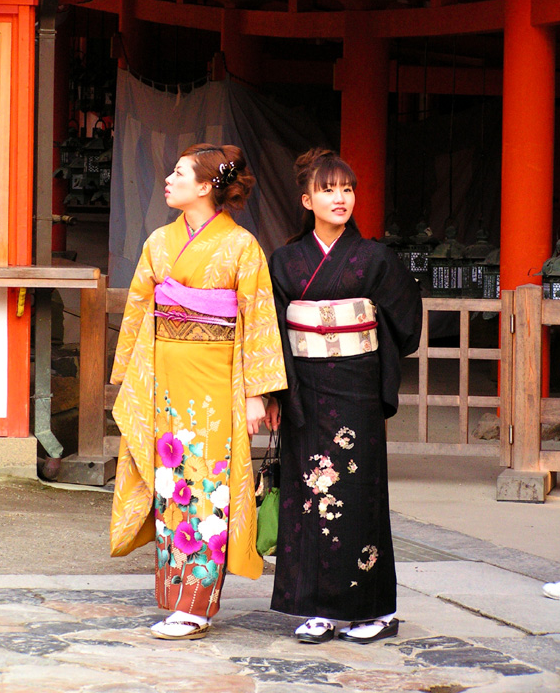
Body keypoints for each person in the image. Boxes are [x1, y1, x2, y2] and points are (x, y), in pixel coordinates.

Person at [109, 144, 286, 640]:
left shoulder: (241, 246)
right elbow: (142, 310)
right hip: (166, 375)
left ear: (206, 185)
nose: (169, 178)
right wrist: (132, 377)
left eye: (180, 172)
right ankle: (174, 596)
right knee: (172, 489)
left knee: (207, 489)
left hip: (216, 379)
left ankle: (196, 604)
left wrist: (257, 392)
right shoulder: (159, 242)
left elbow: (258, 319)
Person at [266, 147, 422, 645]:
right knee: (307, 495)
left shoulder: (374, 258)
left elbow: (407, 324)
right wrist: (274, 392)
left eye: (347, 188)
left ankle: (372, 609)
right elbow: (271, 330)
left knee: (358, 497)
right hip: (305, 392)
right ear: (306, 199)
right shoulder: (286, 260)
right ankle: (316, 607)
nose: (340, 198)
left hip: (356, 389)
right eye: (329, 189)